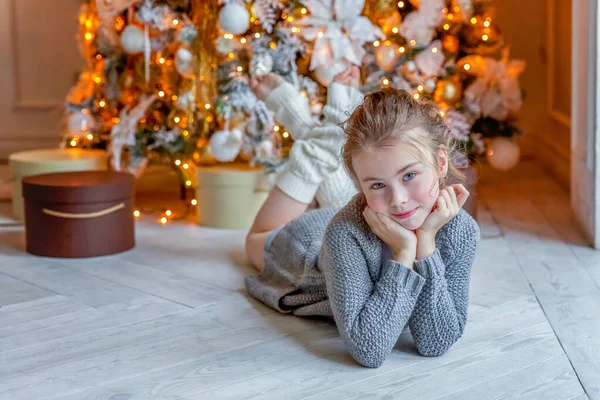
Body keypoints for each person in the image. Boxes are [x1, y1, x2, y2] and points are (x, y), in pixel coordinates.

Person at [245, 87, 481, 368]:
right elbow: (369, 350)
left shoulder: (461, 230)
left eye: (409, 175)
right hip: (304, 247)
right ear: (359, 186)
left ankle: (326, 140)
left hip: (365, 220)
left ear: (441, 162)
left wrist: (426, 244)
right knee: (254, 241)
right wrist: (405, 251)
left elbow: (436, 342)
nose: (399, 199)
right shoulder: (343, 234)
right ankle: (316, 148)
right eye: (378, 184)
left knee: (371, 206)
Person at [245, 67, 362, 271]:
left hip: (328, 252)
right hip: (351, 229)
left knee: (256, 242)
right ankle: (329, 133)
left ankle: (325, 132)